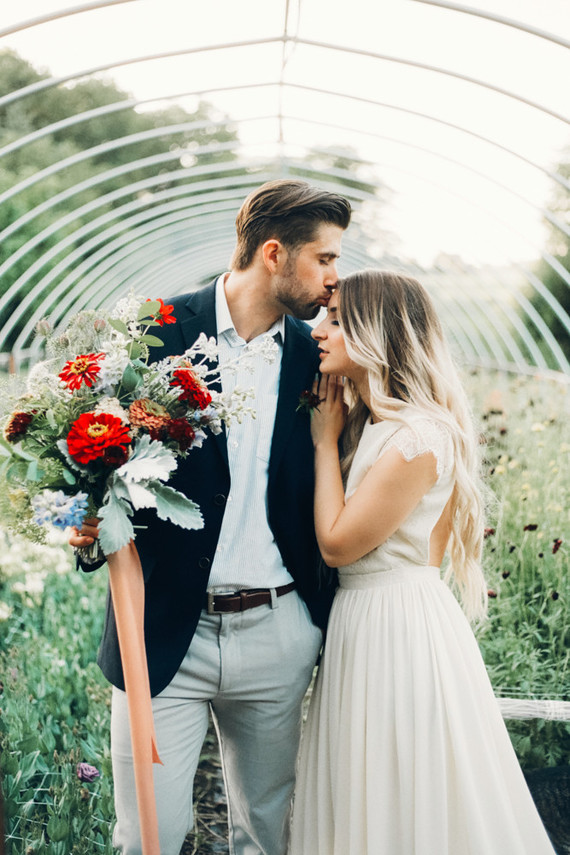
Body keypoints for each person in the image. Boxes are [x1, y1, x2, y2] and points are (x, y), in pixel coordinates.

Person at [69, 179, 352, 855]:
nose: (335, 280)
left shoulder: (322, 358)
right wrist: (85, 530)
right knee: (149, 837)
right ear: (276, 254)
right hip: (165, 627)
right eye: (326, 259)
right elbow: (94, 461)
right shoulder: (152, 330)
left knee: (268, 831)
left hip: (279, 632)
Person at [288, 270, 557, 855]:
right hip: (365, 619)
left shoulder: (419, 436)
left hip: (397, 626)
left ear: (376, 332)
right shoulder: (380, 426)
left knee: (404, 781)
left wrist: (322, 444)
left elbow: (336, 543)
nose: (319, 331)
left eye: (336, 320)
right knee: (368, 779)